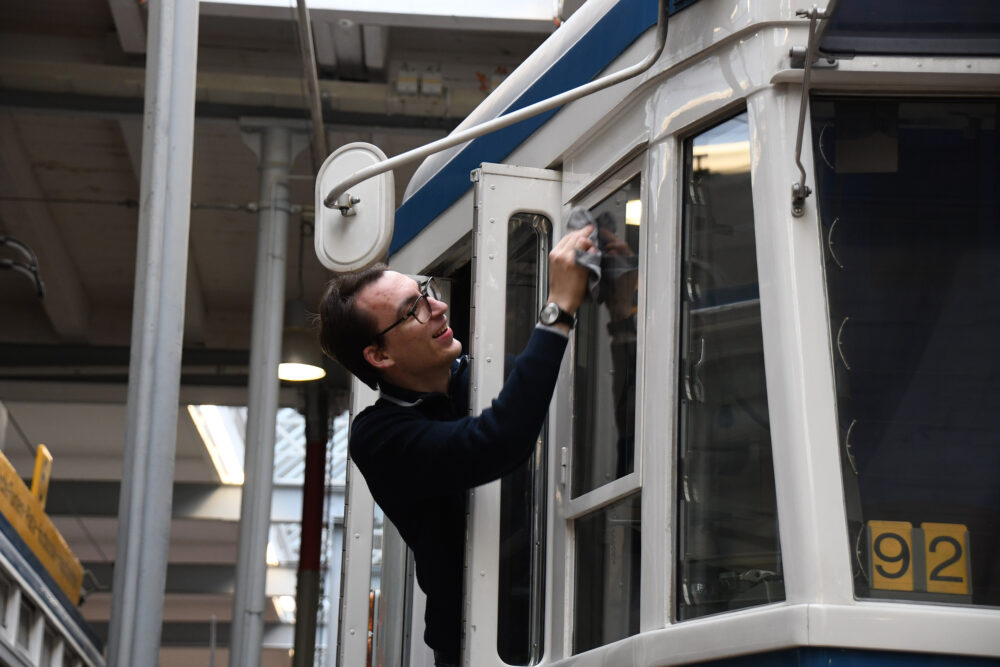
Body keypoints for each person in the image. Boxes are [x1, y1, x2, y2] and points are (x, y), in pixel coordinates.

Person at [317, 225, 595, 666]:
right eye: (415, 310)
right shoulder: (378, 437)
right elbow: (496, 442)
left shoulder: (488, 376)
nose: (439, 307)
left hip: (574, 615)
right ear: (380, 356)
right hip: (478, 650)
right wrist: (558, 308)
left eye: (425, 293)